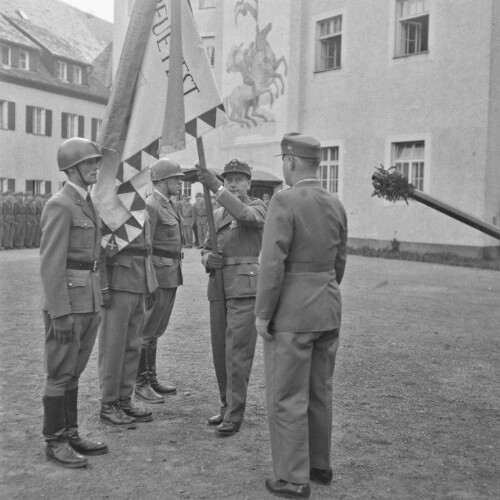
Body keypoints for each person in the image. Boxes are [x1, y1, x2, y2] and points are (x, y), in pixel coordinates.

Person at [255, 133, 348, 499]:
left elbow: (272, 264)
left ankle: (293, 478)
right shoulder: (335, 203)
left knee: (287, 395)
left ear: (291, 161)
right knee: (319, 391)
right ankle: (318, 465)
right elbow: (339, 262)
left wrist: (264, 313)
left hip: (293, 313)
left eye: (283, 161)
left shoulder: (284, 201)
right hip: (327, 306)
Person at [39, 137, 108, 468]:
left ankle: (71, 432)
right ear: (72, 168)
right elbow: (51, 264)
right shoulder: (60, 204)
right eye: (89, 163)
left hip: (89, 299)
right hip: (68, 304)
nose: (96, 167)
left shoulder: (86, 201)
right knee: (60, 373)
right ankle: (55, 441)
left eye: (96, 162)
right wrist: (60, 313)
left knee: (74, 373)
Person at [198, 159, 267, 436]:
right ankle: (226, 405)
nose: (234, 184)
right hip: (219, 287)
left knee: (237, 353)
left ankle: (235, 413)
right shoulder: (216, 214)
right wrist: (207, 259)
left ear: (249, 183)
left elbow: (246, 217)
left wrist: (215, 187)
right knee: (220, 352)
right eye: (228, 179)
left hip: (244, 287)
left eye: (239, 179)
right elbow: (204, 247)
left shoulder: (258, 206)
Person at [98, 197, 158, 427]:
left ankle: (124, 399)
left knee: (133, 346)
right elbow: (101, 249)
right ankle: (108, 403)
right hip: (118, 284)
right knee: (113, 347)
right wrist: (103, 286)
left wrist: (150, 284)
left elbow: (146, 250)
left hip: (138, 282)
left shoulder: (141, 206)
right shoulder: (112, 206)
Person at [135, 159, 183, 404]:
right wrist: (149, 281)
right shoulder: (152, 205)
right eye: (176, 178)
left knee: (155, 330)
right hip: (158, 274)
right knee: (146, 330)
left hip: (171, 272)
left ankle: (151, 377)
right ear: (163, 181)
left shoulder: (168, 204)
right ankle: (140, 383)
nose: (179, 182)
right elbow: (146, 247)